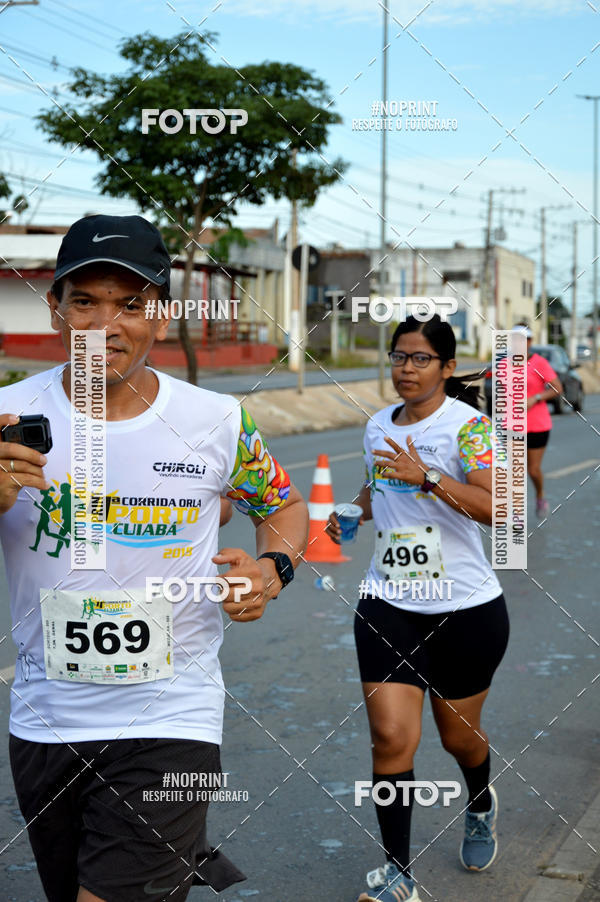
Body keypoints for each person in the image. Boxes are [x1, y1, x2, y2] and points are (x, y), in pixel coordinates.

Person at [0, 213, 309, 902]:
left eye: (131, 305)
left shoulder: (215, 422)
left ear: (161, 317)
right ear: (55, 310)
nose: (106, 324)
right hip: (46, 722)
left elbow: (284, 508)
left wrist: (271, 570)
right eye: (85, 301)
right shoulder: (6, 417)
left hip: (174, 718)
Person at [326, 314, 509, 902]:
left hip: (464, 609)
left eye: (420, 359)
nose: (406, 368)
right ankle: (397, 875)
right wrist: (355, 511)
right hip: (388, 603)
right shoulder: (379, 425)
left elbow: (498, 508)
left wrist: (428, 475)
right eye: (399, 357)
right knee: (389, 738)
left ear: (447, 367)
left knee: (459, 739)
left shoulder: (471, 429)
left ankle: (479, 800)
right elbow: (381, 488)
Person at [513, 324, 562, 518]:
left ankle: (540, 494)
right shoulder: (503, 363)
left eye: (524, 340)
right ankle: (516, 513)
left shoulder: (539, 363)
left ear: (530, 342)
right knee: (514, 471)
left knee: (532, 470)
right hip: (512, 425)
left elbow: (557, 388)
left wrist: (536, 398)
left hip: (537, 425)